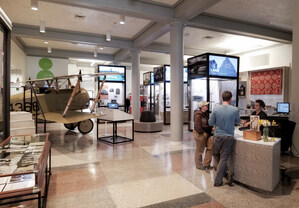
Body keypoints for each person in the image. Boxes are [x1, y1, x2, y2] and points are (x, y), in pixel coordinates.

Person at [209, 91, 240, 187]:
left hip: (218, 135)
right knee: (224, 158)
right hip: (229, 137)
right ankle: (222, 176)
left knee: (215, 153)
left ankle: (220, 177)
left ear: (222, 98)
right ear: (230, 99)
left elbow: (210, 123)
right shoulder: (235, 109)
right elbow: (238, 121)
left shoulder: (216, 108)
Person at [193, 101, 213, 170]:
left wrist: (210, 128)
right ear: (202, 107)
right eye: (206, 105)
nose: (207, 106)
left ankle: (206, 164)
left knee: (211, 147)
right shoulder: (198, 115)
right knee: (200, 150)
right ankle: (199, 165)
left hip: (206, 133)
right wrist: (202, 133)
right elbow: (197, 126)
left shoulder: (205, 114)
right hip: (201, 134)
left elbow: (206, 124)